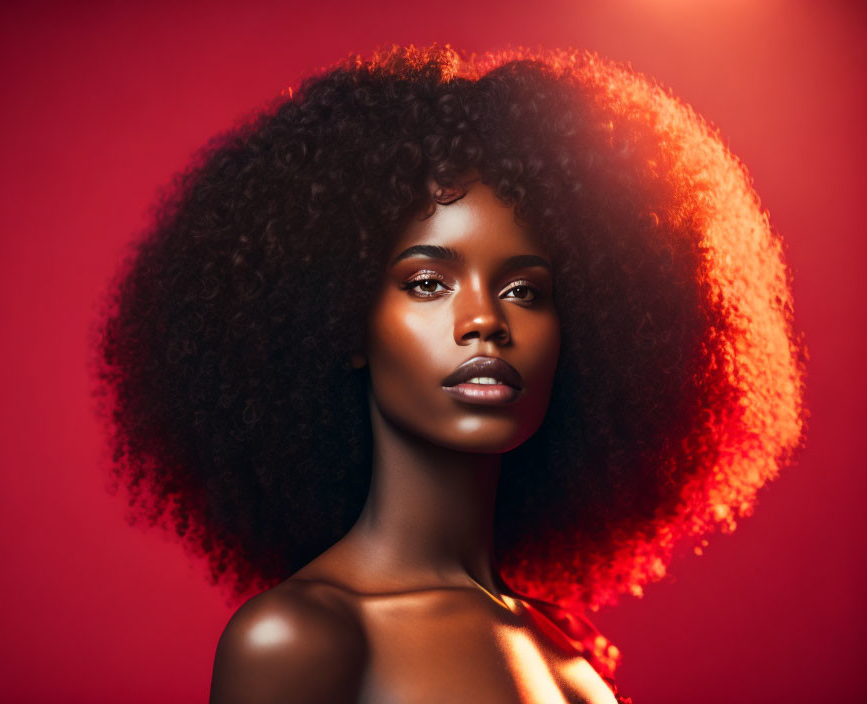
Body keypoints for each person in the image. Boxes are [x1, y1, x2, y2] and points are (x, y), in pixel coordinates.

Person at [97, 45, 805, 703]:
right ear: (344, 323)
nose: (486, 321)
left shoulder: (566, 652)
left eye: (525, 291)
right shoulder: (302, 641)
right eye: (429, 282)